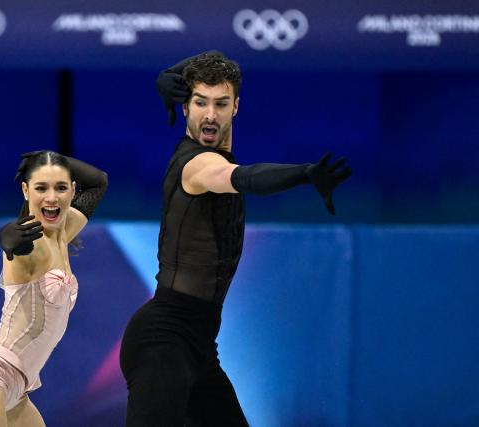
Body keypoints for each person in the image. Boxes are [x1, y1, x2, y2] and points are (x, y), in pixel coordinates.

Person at [119, 52, 352, 426]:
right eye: (199, 103)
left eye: (220, 103)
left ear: (236, 107)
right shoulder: (197, 164)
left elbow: (214, 59)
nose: (209, 114)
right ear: (185, 108)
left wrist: (170, 71)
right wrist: (305, 173)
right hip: (163, 342)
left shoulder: (215, 155)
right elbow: (247, 178)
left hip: (198, 347)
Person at [0, 150, 107, 427]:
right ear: (25, 190)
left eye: (60, 187)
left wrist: (50, 159)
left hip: (17, 391)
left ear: (72, 191)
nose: (52, 197)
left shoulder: (64, 231)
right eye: (41, 188)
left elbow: (98, 182)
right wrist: (7, 238)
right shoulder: (29, 239)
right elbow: (12, 240)